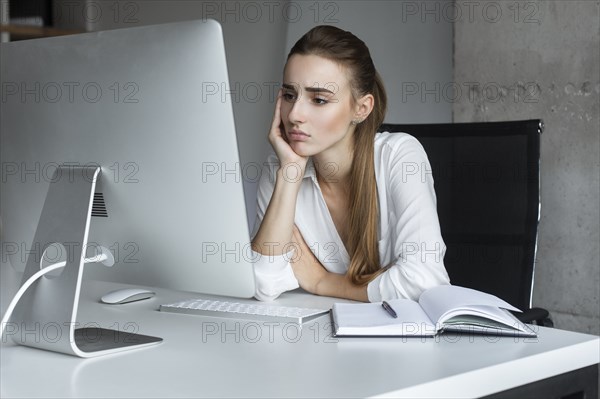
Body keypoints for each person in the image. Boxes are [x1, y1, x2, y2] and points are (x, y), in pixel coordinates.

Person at [250, 25, 450, 303]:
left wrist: (322, 282)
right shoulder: (283, 169)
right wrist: (290, 173)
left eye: (318, 99)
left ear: (361, 109)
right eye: (289, 95)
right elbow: (262, 282)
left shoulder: (399, 156)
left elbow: (424, 281)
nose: (295, 114)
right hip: (325, 339)